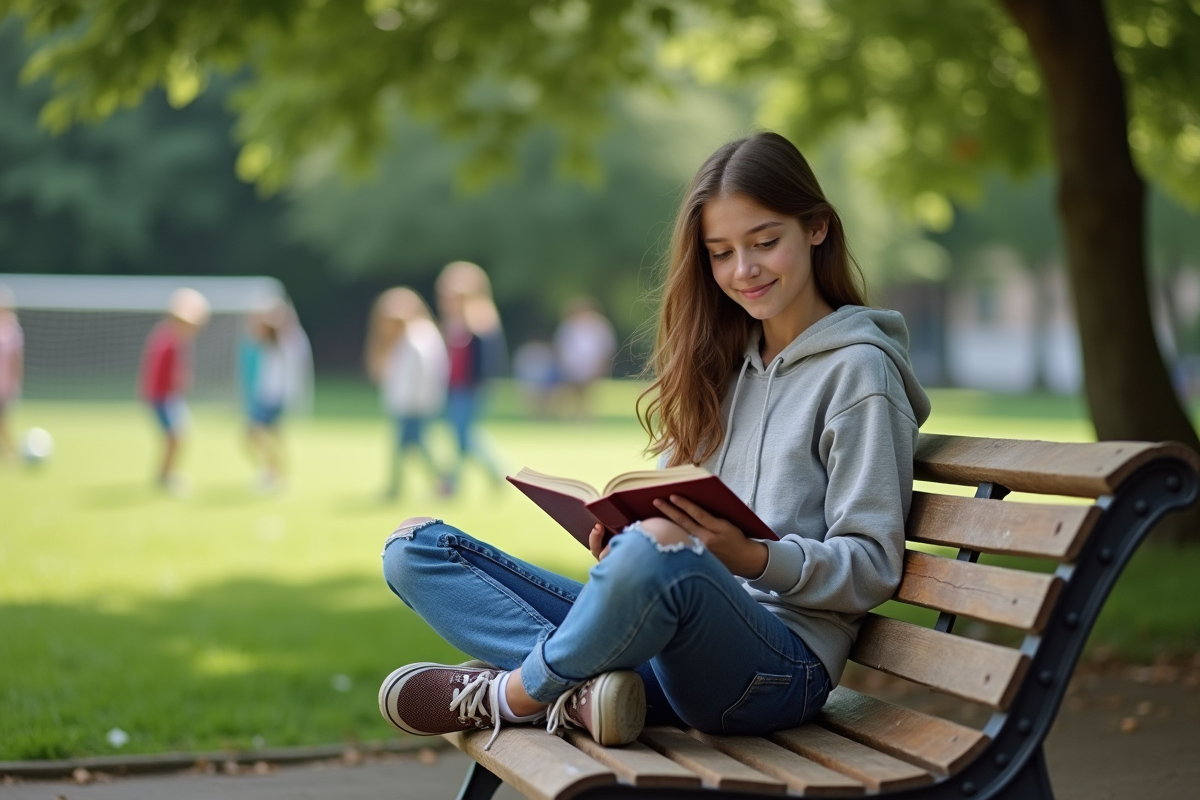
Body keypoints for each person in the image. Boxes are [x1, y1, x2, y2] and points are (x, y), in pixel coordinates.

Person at [377, 132, 930, 751]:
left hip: (779, 669)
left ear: (818, 228)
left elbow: (873, 565)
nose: (742, 271)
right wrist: (620, 536)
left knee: (660, 548)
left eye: (765, 243)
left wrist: (746, 557)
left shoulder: (860, 372)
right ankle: (586, 694)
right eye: (720, 253)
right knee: (415, 549)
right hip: (671, 646)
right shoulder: (723, 362)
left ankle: (516, 695)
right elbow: (670, 508)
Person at [366, 287, 450, 500]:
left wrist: (418, 400)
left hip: (415, 404)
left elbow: (425, 373)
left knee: (407, 446)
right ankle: (441, 483)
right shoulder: (405, 337)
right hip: (407, 402)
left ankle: (402, 487)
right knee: (414, 446)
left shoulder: (419, 335)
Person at [435, 261, 507, 494]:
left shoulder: (481, 316)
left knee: (462, 435)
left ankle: (453, 482)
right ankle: (491, 474)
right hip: (455, 386)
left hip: (473, 386)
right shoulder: (453, 321)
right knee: (461, 435)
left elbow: (486, 356)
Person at [139, 287, 211, 495]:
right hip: (163, 397)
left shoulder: (173, 338)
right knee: (176, 436)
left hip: (168, 397)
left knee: (176, 437)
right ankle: (165, 476)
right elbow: (169, 375)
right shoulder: (169, 339)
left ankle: (165, 474)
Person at [239, 306, 290, 493]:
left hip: (270, 399)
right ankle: (276, 472)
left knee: (252, 435)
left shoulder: (278, 345)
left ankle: (272, 470)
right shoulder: (262, 347)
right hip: (267, 398)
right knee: (271, 437)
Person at [553, 295, 617, 418]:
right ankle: (575, 414)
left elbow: (606, 346)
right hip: (572, 365)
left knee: (589, 391)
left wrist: (602, 364)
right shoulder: (568, 325)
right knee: (573, 391)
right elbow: (561, 346)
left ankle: (585, 414)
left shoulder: (599, 325)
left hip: (593, 364)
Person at [0, 284, 23, 464]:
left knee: (3, 421)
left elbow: (16, 359)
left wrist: (16, 383)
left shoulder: (13, 330)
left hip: (5, 386)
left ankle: (12, 452)